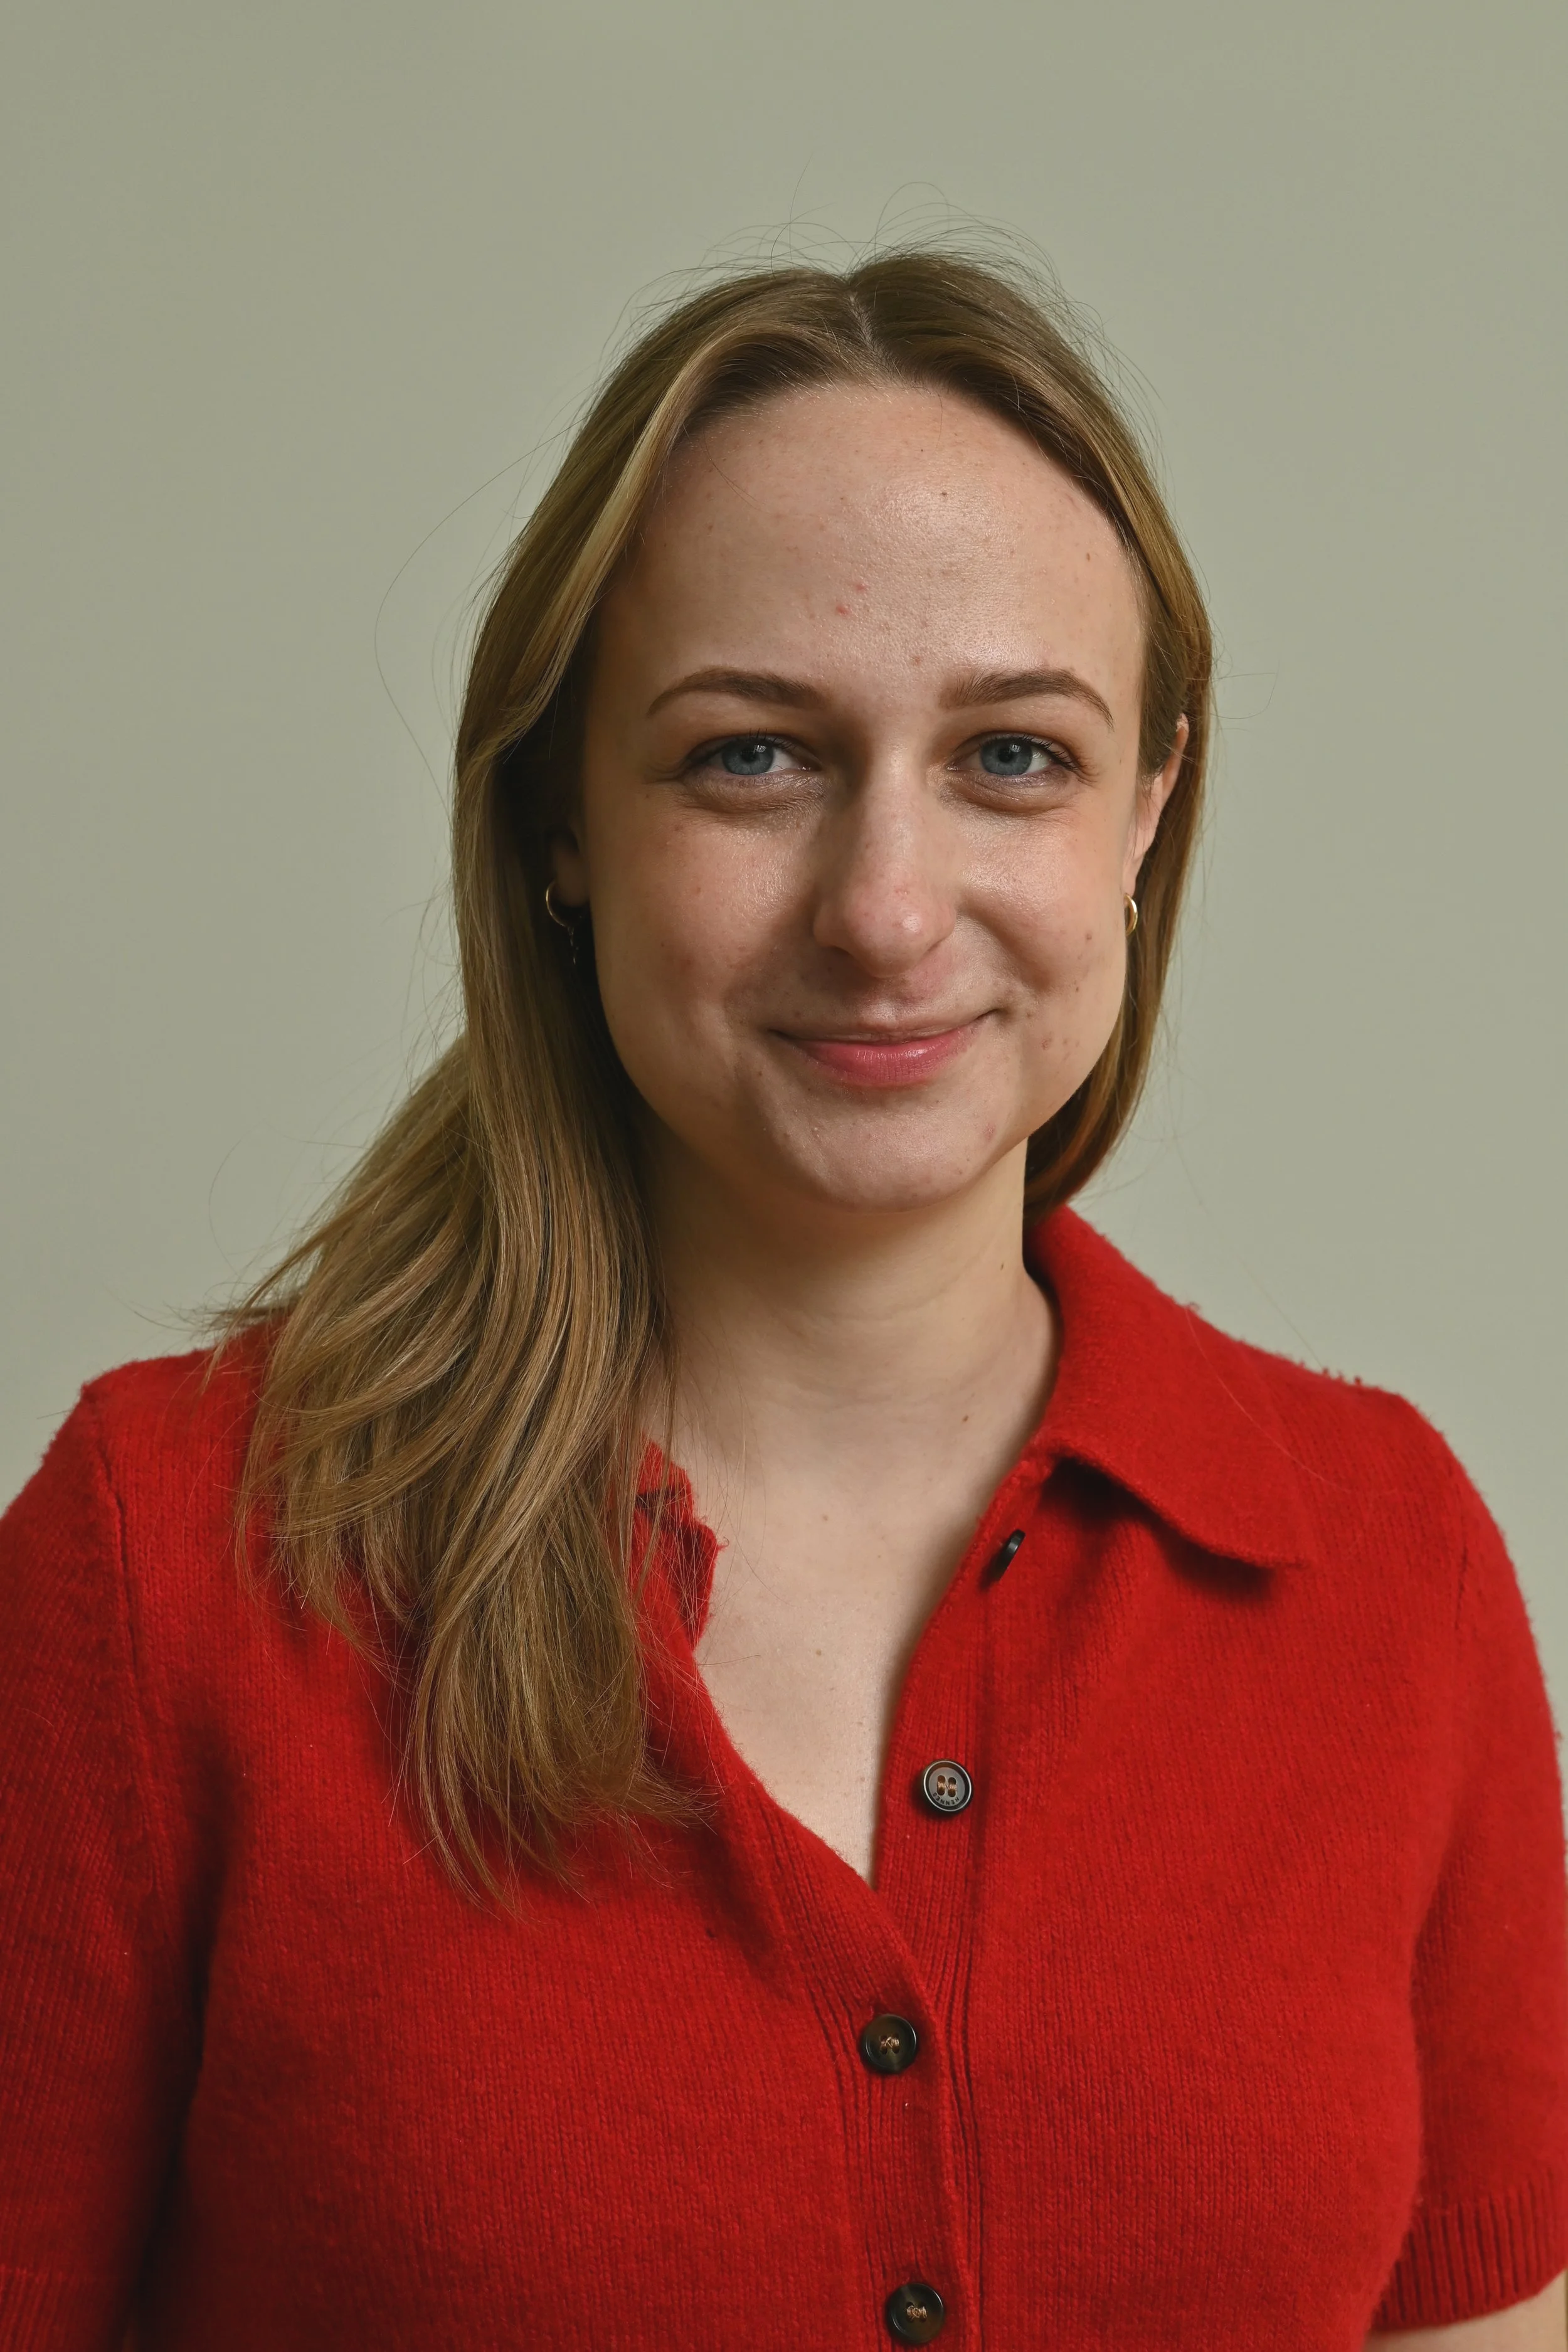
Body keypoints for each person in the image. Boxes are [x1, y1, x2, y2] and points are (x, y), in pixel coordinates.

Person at [1, 248, 1564, 2352]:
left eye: (1013, 755)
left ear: (1144, 817)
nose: (886, 908)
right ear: (563, 820)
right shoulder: (162, 1553)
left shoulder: (1384, 1559)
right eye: (750, 758)